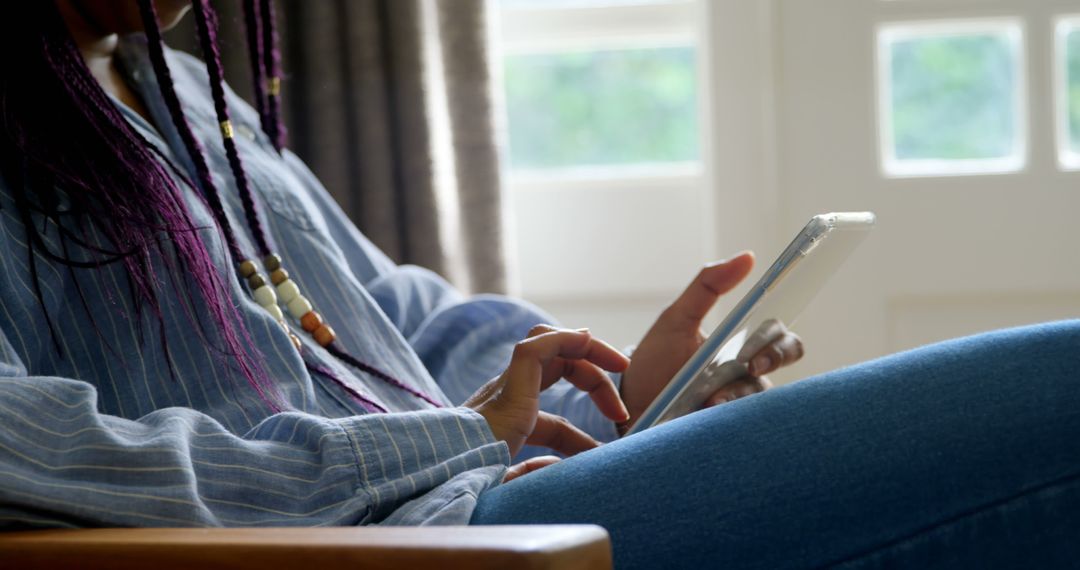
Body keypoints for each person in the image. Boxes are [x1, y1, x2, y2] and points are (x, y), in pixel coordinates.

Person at [0, 1, 1076, 568]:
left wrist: (618, 388)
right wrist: (455, 439)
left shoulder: (187, 95)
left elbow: (401, 326)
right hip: (435, 553)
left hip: (493, 504)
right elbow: (30, 448)